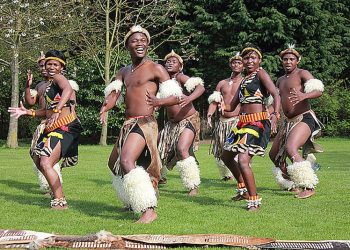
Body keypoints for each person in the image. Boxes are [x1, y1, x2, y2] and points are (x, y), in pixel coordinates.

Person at [100, 25, 178, 223]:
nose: (139, 43)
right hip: (128, 123)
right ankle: (132, 200)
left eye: (143, 40)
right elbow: (114, 93)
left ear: (148, 45)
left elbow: (176, 97)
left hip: (145, 123)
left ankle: (148, 209)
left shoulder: (156, 68)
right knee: (114, 164)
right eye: (134, 40)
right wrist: (105, 107)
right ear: (127, 46)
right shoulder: (124, 71)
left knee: (127, 160)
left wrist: (159, 101)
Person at [9, 50, 81, 210]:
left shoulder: (59, 78)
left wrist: (57, 110)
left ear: (62, 67)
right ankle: (57, 195)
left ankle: (60, 200)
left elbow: (68, 90)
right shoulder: (48, 85)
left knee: (46, 161)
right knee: (38, 159)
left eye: (55, 64)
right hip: (53, 126)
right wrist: (29, 112)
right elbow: (45, 110)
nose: (51, 67)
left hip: (65, 126)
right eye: (49, 64)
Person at [222, 45, 280, 211]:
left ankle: (254, 201)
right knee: (225, 156)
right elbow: (231, 106)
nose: (249, 61)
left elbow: (275, 93)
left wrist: (275, 113)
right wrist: (220, 105)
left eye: (253, 58)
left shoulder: (260, 73)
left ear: (259, 60)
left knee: (243, 160)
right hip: (242, 123)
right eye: (246, 58)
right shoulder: (242, 81)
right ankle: (243, 189)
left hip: (257, 123)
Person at [147, 50, 205, 196]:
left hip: (188, 120)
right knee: (158, 150)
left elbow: (200, 87)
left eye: (174, 61)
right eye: (167, 61)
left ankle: (193, 186)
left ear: (180, 67)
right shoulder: (162, 83)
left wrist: (190, 98)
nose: (170, 63)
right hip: (171, 125)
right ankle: (159, 178)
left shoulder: (180, 77)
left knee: (181, 149)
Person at [269, 44, 323, 199]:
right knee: (274, 155)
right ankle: (292, 181)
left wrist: (304, 96)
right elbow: (275, 103)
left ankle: (308, 185)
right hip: (287, 122)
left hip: (304, 118)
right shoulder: (280, 80)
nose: (288, 62)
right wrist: (268, 114)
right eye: (285, 59)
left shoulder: (302, 73)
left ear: (297, 61)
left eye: (291, 59)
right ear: (282, 61)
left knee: (291, 148)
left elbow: (318, 90)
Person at [23, 52, 62, 194]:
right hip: (43, 125)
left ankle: (55, 191)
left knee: (47, 157)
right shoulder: (40, 85)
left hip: (57, 125)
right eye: (41, 66)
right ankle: (52, 186)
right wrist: (28, 86)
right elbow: (31, 102)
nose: (44, 68)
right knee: (35, 154)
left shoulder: (59, 82)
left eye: (46, 64)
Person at [207, 53, 243, 182]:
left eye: (239, 63)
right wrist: (210, 114)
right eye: (234, 62)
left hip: (238, 121)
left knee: (237, 149)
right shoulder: (222, 83)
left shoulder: (245, 82)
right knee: (223, 149)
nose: (236, 65)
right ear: (230, 65)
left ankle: (241, 175)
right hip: (222, 122)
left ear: (243, 66)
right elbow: (215, 100)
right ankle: (227, 174)